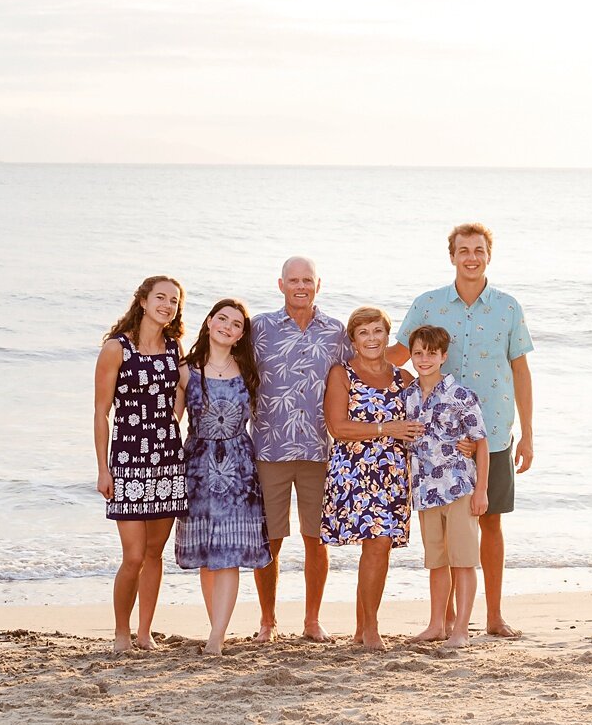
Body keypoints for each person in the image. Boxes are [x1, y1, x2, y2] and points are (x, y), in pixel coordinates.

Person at [391, 223, 533, 638]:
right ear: (451, 255)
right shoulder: (428, 304)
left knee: (488, 522)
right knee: (442, 525)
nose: (471, 257)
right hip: (440, 445)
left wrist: (528, 433)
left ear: (489, 255)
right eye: (463, 250)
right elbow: (400, 355)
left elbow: (520, 370)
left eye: (479, 250)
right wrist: (352, 358)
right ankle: (447, 620)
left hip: (493, 433)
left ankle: (492, 615)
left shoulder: (508, 307)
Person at [249, 256, 352, 643]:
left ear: (318, 284)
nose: (301, 286)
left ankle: (312, 620)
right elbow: (228, 364)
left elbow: (353, 379)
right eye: (294, 280)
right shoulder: (259, 328)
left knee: (316, 539)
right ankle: (268, 621)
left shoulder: (335, 331)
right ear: (280, 285)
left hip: (318, 450)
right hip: (268, 449)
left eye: (307, 279)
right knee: (270, 540)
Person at [93, 275, 189, 654]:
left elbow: (182, 390)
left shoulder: (173, 347)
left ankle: (145, 633)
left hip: (167, 459)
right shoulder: (116, 349)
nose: (167, 305)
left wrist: (172, 420)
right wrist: (103, 468)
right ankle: (121, 633)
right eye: (161, 298)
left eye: (174, 301)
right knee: (133, 555)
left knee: (154, 554)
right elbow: (101, 413)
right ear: (144, 301)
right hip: (128, 461)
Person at [321, 306, 422, 651]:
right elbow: (338, 427)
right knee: (375, 546)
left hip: (393, 472)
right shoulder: (342, 374)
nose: (371, 339)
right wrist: (387, 428)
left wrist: (468, 442)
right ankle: (371, 628)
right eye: (363, 333)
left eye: (378, 331)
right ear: (352, 340)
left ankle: (363, 628)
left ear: (388, 335)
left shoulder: (404, 379)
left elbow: (428, 421)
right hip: (354, 471)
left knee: (379, 548)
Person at [175, 298, 270, 655]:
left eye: (235, 324)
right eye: (222, 319)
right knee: (207, 554)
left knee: (229, 553)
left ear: (240, 335)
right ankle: (215, 626)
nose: (227, 327)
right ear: (210, 322)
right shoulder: (186, 369)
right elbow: (173, 419)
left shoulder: (248, 371)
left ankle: (217, 637)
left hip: (239, 469)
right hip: (197, 466)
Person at [401, 324, 489, 649]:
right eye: (418, 353)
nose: (424, 359)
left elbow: (480, 443)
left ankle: (461, 631)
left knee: (463, 561)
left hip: (460, 488)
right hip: (424, 491)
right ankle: (436, 625)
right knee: (436, 562)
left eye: (431, 353)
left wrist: (481, 492)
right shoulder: (408, 396)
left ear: (443, 356)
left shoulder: (460, 395)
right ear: (411, 355)